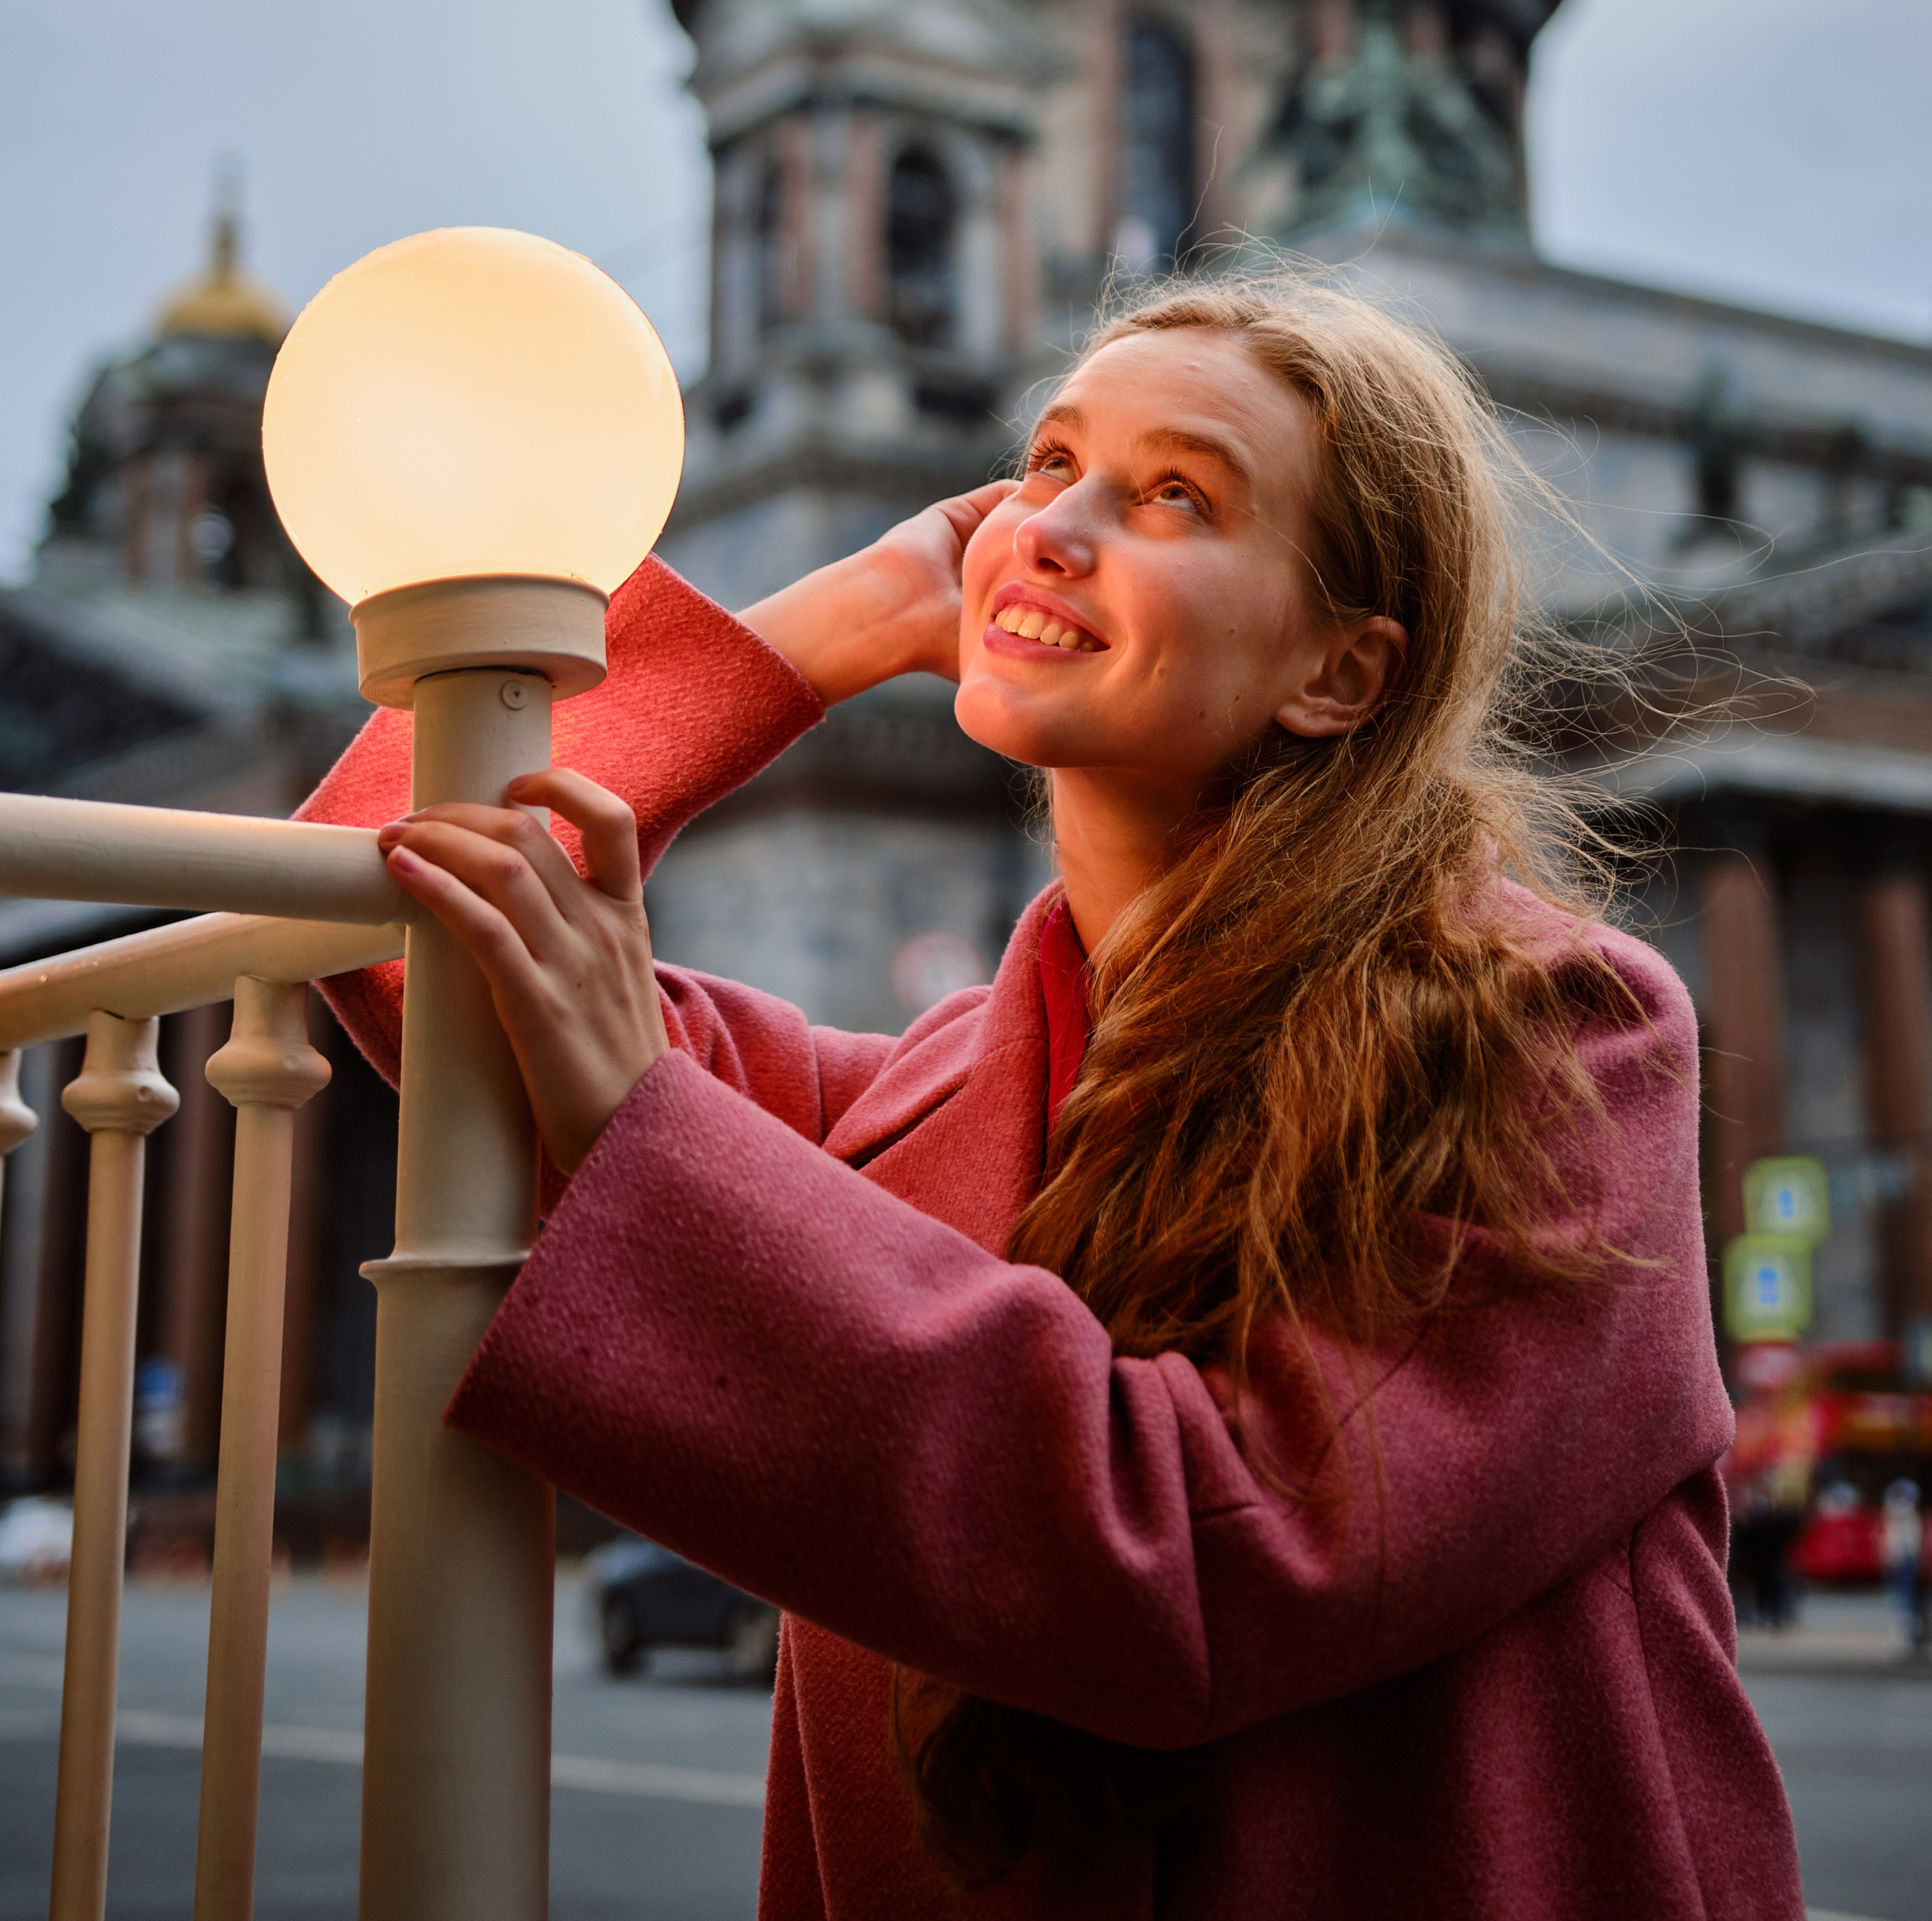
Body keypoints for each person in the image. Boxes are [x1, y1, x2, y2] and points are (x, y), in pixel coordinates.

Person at [306, 276, 1803, 1919]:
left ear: (1338, 672)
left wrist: (636, 1123)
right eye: (1043, 465)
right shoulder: (893, 1103)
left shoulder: (1557, 1035)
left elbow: (1203, 1562)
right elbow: (382, 890)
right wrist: (848, 616)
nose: (1054, 526)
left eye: (1176, 495)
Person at [1881, 1477, 1926, 1651]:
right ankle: (1908, 1634)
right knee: (1904, 1599)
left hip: (1904, 1561)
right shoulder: (1908, 1515)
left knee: (1904, 1600)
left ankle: (1907, 1634)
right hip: (1903, 1561)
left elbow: (1903, 1544)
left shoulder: (1902, 1516)